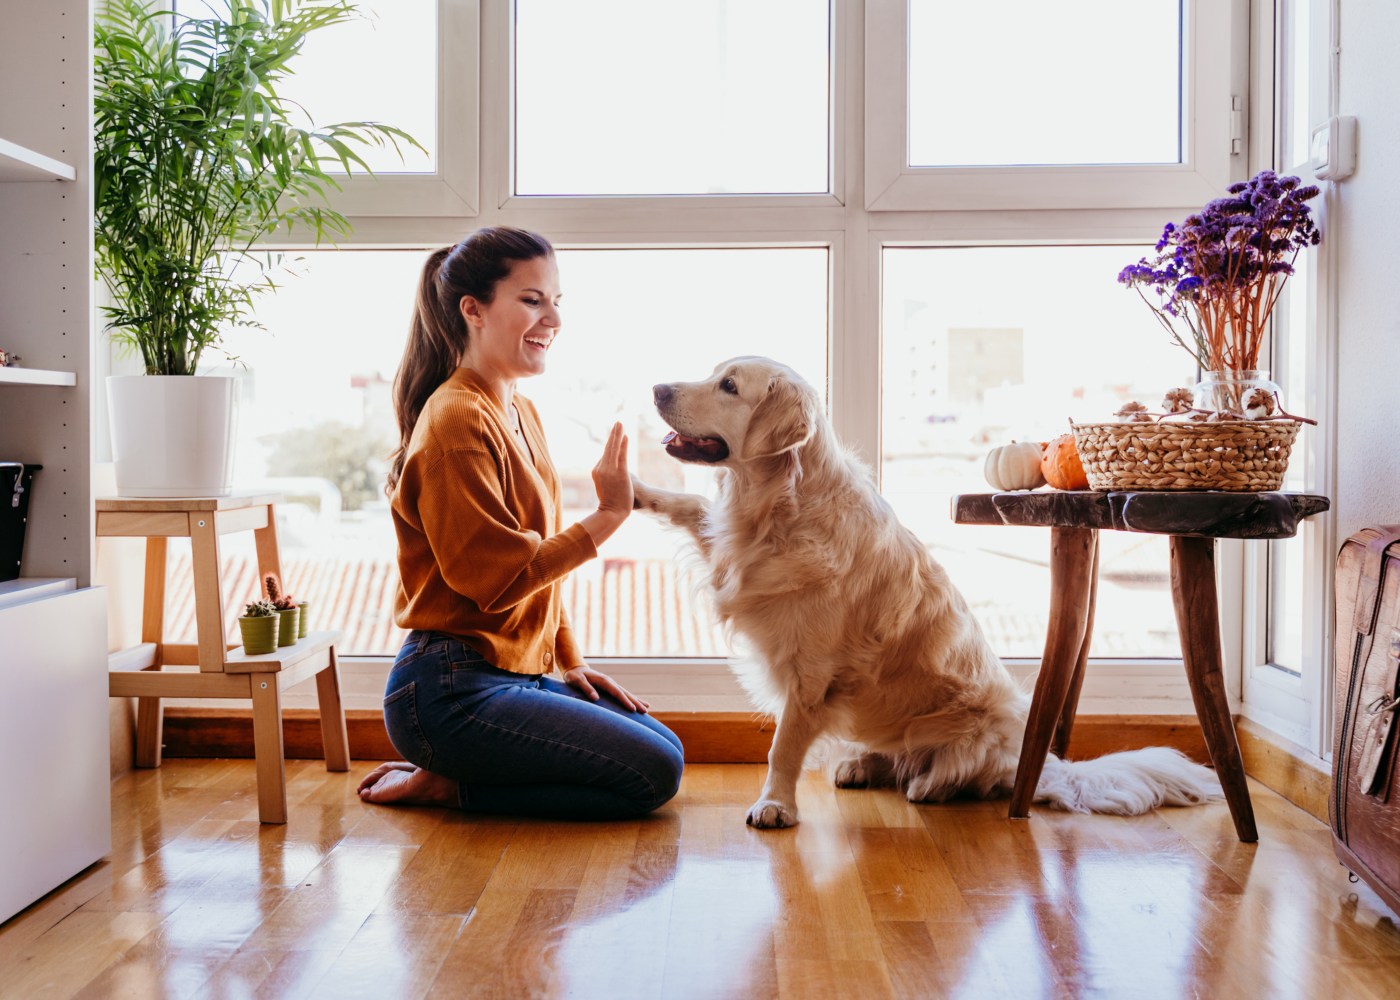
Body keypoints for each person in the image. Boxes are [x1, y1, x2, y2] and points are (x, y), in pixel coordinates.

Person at [357, 226, 684, 820]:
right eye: (532, 300)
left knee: (666, 748)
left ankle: (455, 774)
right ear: (473, 310)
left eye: (557, 301)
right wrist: (610, 514)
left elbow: (538, 572)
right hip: (447, 690)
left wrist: (569, 659)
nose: (552, 318)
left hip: (513, 673)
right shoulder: (456, 421)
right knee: (653, 775)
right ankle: (446, 785)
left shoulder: (518, 409)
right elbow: (499, 581)